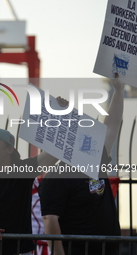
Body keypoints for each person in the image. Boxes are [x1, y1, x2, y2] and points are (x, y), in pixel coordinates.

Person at [38, 75, 124, 255]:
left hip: (109, 250)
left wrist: (118, 90)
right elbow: (50, 220)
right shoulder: (57, 176)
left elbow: (111, 126)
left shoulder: (95, 158)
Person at [0, 126, 64, 255]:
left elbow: (54, 153)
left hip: (22, 251)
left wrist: (62, 122)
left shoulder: (23, 170)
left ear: (9, 149)